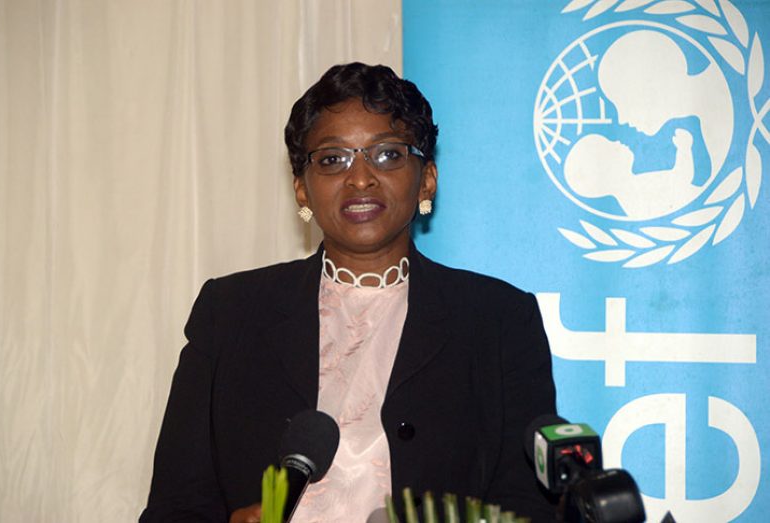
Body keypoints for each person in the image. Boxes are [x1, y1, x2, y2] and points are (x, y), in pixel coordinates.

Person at [140, 62, 557, 523]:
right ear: (301, 189)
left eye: (388, 154)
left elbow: (530, 506)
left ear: (427, 178)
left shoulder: (499, 319)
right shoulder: (231, 312)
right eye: (332, 159)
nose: (360, 178)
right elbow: (174, 507)